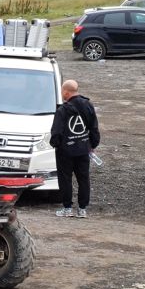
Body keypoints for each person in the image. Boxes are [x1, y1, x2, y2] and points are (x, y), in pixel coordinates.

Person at [50, 79, 100, 219]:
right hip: (83, 149)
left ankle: (67, 209)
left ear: (66, 92)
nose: (62, 94)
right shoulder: (88, 105)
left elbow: (56, 132)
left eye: (62, 92)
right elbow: (94, 128)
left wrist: (56, 144)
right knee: (83, 179)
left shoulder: (62, 110)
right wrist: (92, 145)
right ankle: (82, 209)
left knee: (65, 179)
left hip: (65, 151)